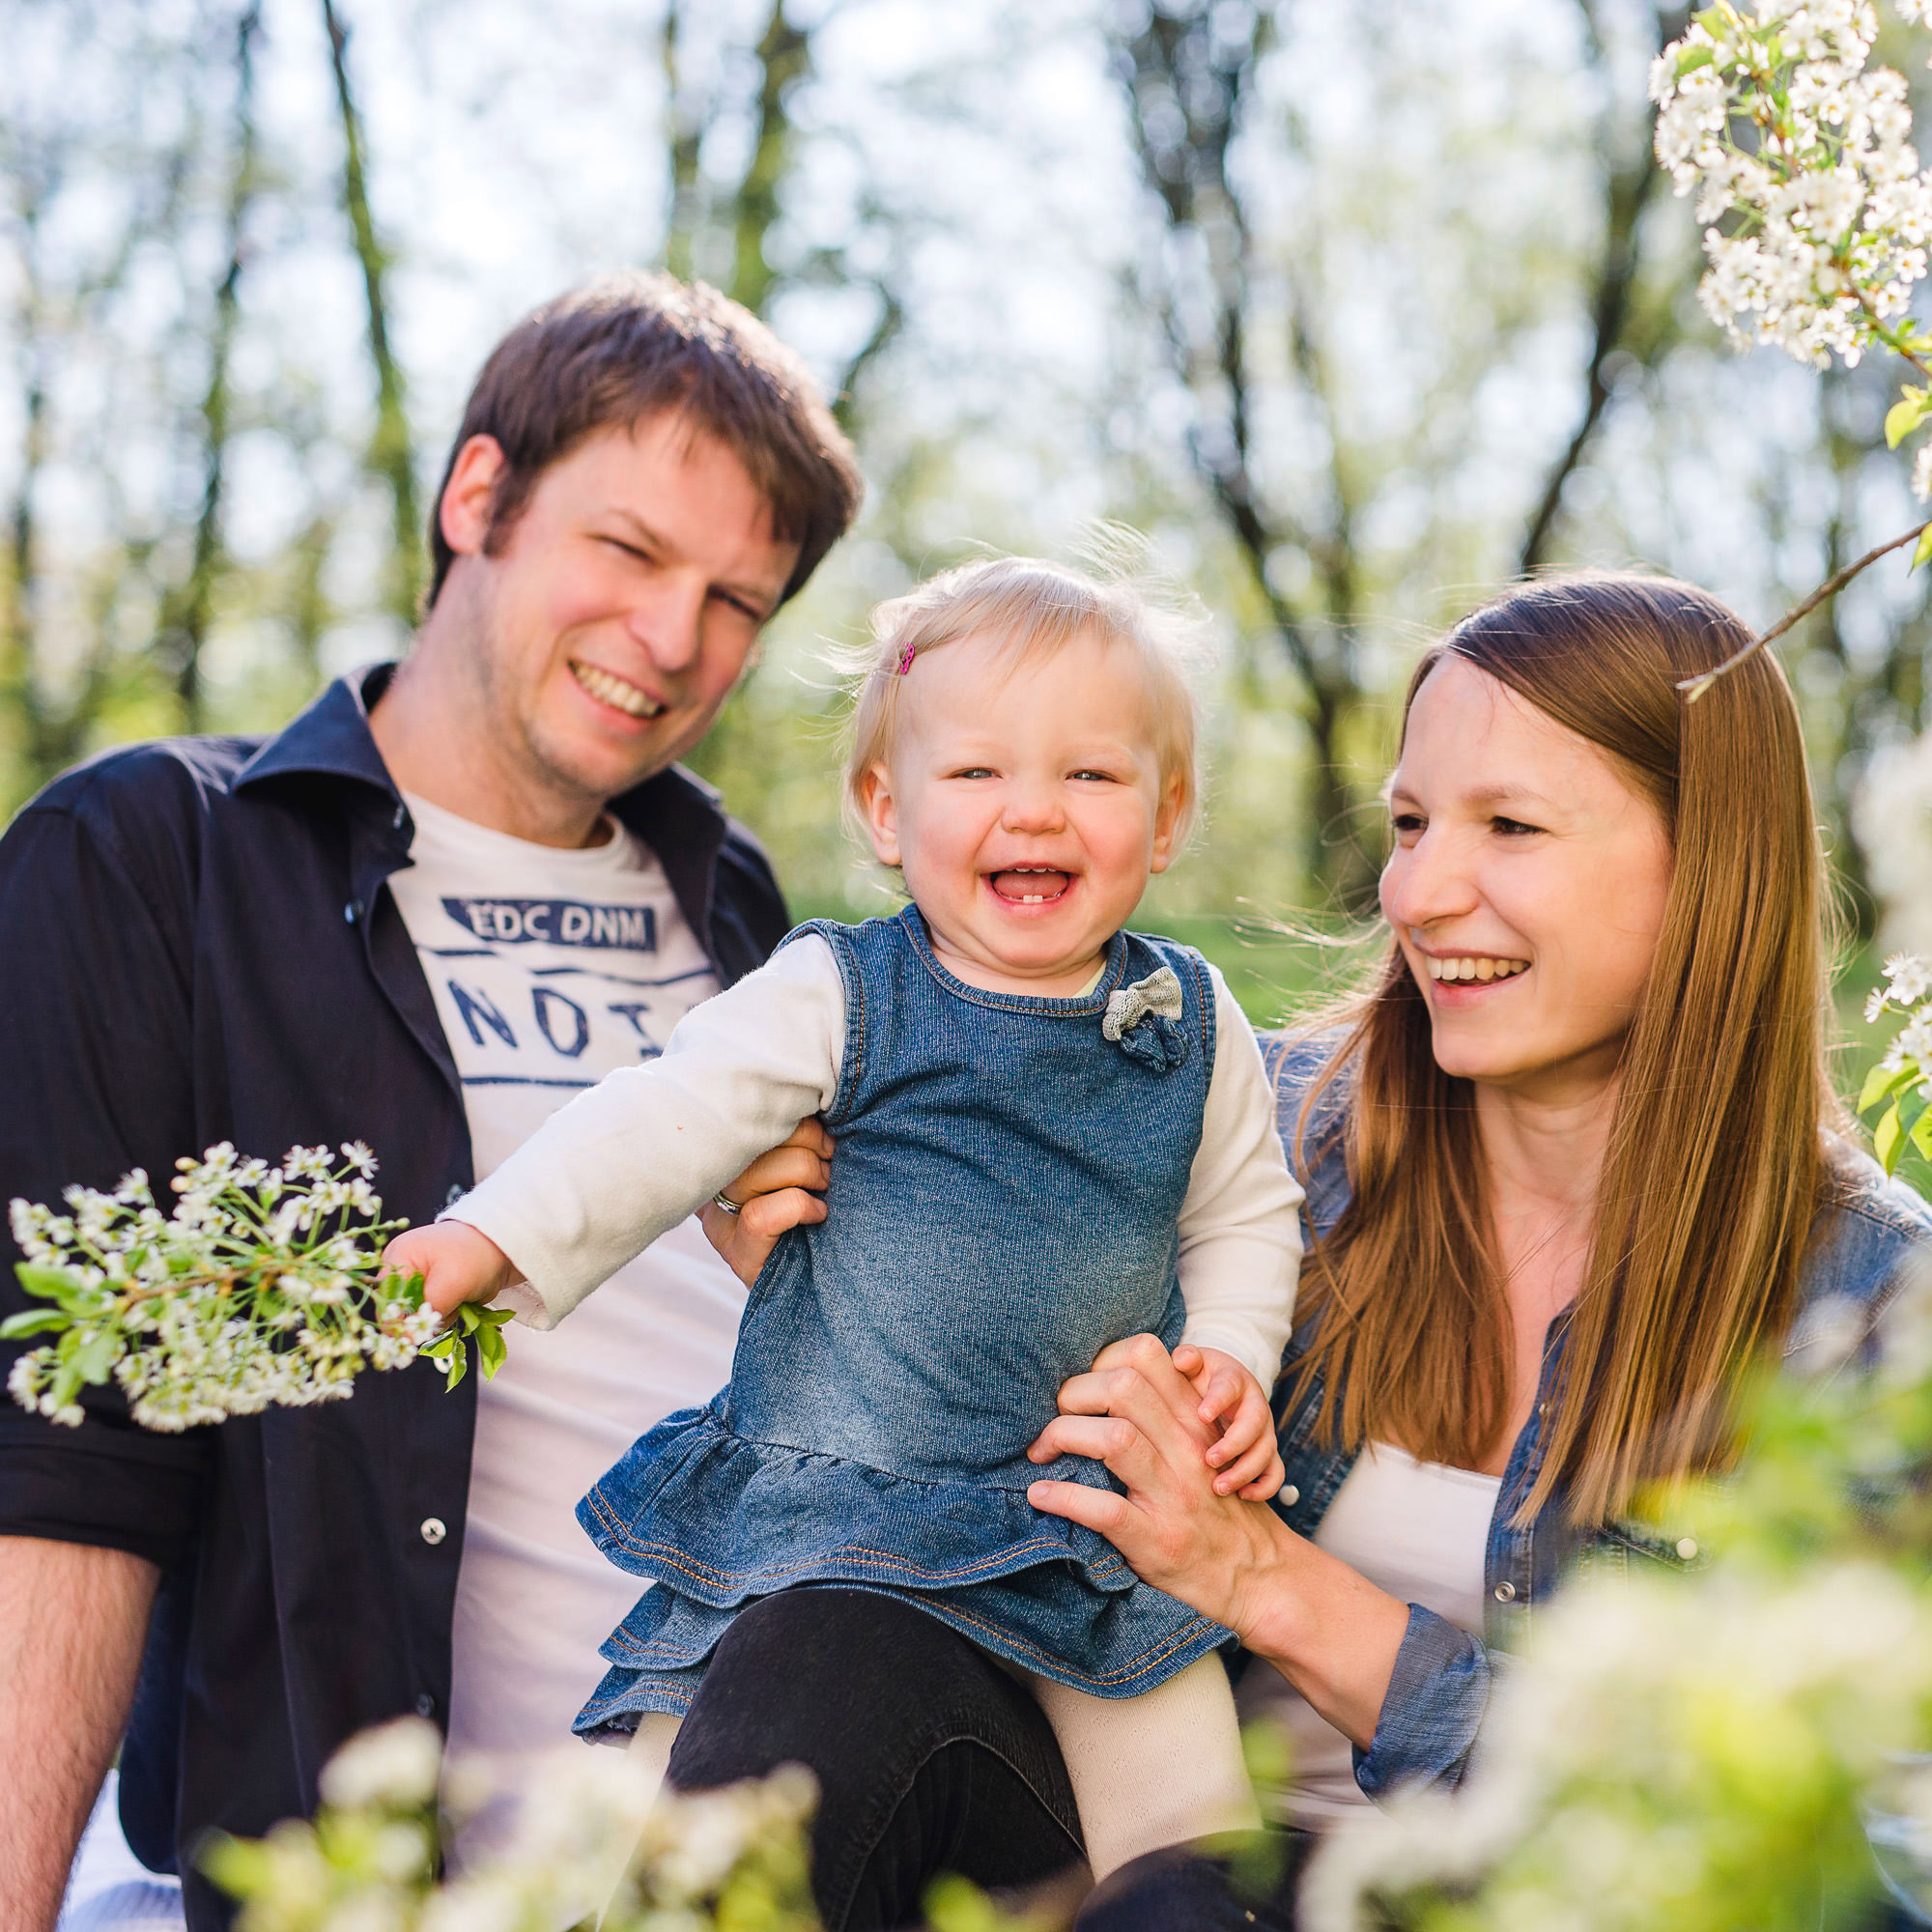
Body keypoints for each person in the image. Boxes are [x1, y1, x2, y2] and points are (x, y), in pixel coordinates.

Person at [697, 573, 1932, 1930]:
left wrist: (1269, 1582)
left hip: (1536, 1902)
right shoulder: (1237, 1126)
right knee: (827, 1650)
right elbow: (967, 1370)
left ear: (1710, 863)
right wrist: (819, 1224)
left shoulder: (1873, 1308)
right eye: (1409, 823)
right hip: (1136, 1826)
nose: (1417, 888)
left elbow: (1783, 1851)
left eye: (1509, 826)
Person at [0, 271, 862, 1932]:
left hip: (770, 1861)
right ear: (478, 497)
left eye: (736, 599)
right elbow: (62, 1465)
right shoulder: (153, 859)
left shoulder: (744, 909)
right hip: (381, 1884)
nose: (672, 640)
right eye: (626, 550)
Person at [385, 554, 1308, 1883]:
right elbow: (665, 1116)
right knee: (674, 1830)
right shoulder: (839, 991)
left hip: (1095, 1522)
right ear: (886, 809)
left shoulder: (1191, 1022)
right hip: (834, 1495)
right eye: (977, 773)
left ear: (1166, 822)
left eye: (1091, 777)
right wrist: (490, 1238)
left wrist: (1231, 1354)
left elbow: (1242, 1214)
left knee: (1188, 1854)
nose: (1032, 811)